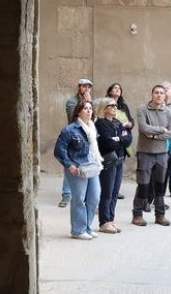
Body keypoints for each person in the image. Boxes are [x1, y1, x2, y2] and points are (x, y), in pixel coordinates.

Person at [54, 100, 103, 240]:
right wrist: (69, 165)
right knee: (79, 199)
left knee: (94, 197)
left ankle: (87, 227)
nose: (89, 111)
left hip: (92, 167)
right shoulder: (70, 129)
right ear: (78, 111)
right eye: (85, 108)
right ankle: (78, 230)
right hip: (77, 168)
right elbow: (59, 150)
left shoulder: (92, 128)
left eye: (90, 108)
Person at [132, 84, 171, 226]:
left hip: (162, 154)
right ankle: (137, 214)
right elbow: (144, 128)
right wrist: (162, 130)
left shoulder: (168, 112)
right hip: (145, 153)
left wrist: (156, 136)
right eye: (156, 92)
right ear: (151, 95)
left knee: (160, 185)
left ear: (165, 96)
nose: (159, 95)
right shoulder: (142, 109)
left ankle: (160, 215)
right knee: (143, 184)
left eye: (161, 93)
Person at [95, 97, 131, 234]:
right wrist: (120, 139)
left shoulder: (117, 122)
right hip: (109, 160)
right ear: (104, 108)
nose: (115, 108)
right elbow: (108, 143)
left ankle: (110, 219)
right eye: (111, 106)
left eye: (116, 106)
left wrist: (119, 139)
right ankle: (104, 222)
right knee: (107, 192)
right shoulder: (101, 124)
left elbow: (129, 139)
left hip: (120, 159)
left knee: (115, 192)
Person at [60, 77, 93, 208]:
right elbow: (73, 119)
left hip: (86, 137)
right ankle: (66, 195)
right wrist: (84, 103)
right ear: (79, 87)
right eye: (84, 86)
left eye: (89, 87)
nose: (86, 89)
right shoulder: (72, 102)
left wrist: (89, 103)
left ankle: (83, 196)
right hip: (73, 137)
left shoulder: (90, 103)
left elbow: (93, 118)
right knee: (70, 166)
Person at [105, 83, 133, 201]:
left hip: (123, 139)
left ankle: (116, 190)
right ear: (110, 91)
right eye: (115, 88)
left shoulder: (123, 106)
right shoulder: (105, 103)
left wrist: (129, 124)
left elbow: (130, 120)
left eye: (119, 88)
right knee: (109, 166)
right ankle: (108, 191)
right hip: (111, 138)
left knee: (119, 166)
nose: (117, 90)